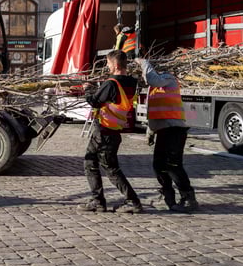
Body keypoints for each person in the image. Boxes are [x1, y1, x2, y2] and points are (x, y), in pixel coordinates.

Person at [78, 49, 144, 214]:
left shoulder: (111, 83)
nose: (107, 67)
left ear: (115, 65)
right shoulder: (131, 81)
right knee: (101, 164)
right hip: (114, 130)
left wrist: (87, 89)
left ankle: (127, 201)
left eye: (108, 63)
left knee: (100, 165)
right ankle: (99, 200)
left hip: (104, 131)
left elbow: (94, 101)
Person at [136, 57, 199, 213]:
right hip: (164, 131)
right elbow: (154, 112)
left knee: (173, 166)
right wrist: (150, 132)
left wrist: (143, 62)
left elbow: (152, 78)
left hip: (175, 130)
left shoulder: (168, 79)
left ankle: (188, 197)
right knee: (159, 166)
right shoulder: (155, 88)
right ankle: (168, 196)